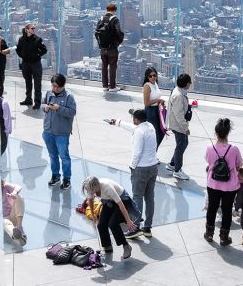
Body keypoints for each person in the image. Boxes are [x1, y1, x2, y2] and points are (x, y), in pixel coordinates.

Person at [203, 117, 243, 246]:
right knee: (227, 210)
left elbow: (208, 162)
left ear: (216, 133)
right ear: (227, 133)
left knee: (212, 209)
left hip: (213, 183)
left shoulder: (209, 147)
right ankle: (224, 237)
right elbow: (239, 165)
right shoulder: (234, 148)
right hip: (230, 186)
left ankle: (209, 234)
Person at [81, 176, 135, 263]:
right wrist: (93, 214)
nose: (88, 192)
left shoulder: (107, 187)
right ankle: (107, 246)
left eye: (89, 190)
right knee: (101, 225)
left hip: (122, 201)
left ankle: (126, 246)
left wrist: (128, 221)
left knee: (113, 224)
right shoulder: (90, 188)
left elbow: (121, 204)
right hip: (108, 202)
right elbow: (90, 200)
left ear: (95, 187)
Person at [125, 107, 158, 240]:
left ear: (136, 120)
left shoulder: (139, 132)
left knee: (137, 197)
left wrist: (132, 166)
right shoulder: (150, 127)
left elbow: (137, 152)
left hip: (141, 169)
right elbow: (132, 127)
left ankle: (135, 227)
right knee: (150, 198)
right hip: (153, 167)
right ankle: (147, 228)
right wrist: (118, 122)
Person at [41, 73, 76, 189]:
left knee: (64, 157)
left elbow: (72, 112)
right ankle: (55, 176)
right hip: (48, 131)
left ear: (63, 85)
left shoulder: (69, 97)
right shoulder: (48, 93)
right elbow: (42, 104)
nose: (55, 89)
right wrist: (45, 107)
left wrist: (59, 108)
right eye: (53, 86)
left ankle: (67, 179)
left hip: (61, 134)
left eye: (57, 87)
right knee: (52, 156)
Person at [164, 73, 193, 177]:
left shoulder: (180, 92)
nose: (190, 84)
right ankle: (177, 170)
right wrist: (185, 128)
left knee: (183, 144)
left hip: (178, 124)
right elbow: (179, 114)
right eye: (189, 82)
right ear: (186, 83)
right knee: (181, 145)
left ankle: (172, 164)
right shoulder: (178, 96)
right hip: (178, 125)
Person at [94, 3, 124, 91]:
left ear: (107, 9)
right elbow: (119, 32)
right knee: (112, 66)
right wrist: (118, 42)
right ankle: (112, 86)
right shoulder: (114, 19)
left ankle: (105, 86)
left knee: (104, 66)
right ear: (114, 10)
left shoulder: (101, 19)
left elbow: (96, 32)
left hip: (103, 48)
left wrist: (100, 44)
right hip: (112, 48)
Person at [16, 23, 47, 107]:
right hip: (25, 64)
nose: (33, 29)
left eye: (34, 28)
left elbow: (44, 50)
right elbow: (18, 49)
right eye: (32, 28)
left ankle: (37, 103)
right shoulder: (21, 39)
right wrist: (22, 56)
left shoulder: (38, 39)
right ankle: (28, 100)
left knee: (37, 84)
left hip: (36, 64)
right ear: (27, 30)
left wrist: (37, 55)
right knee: (28, 82)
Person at [140, 66, 167, 145]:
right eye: (150, 76)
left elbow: (156, 97)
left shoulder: (155, 83)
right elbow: (146, 103)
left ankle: (153, 154)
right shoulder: (147, 86)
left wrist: (160, 103)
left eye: (154, 75)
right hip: (150, 111)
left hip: (157, 110)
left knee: (162, 131)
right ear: (147, 77)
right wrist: (158, 100)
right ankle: (152, 155)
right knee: (155, 135)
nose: (153, 77)